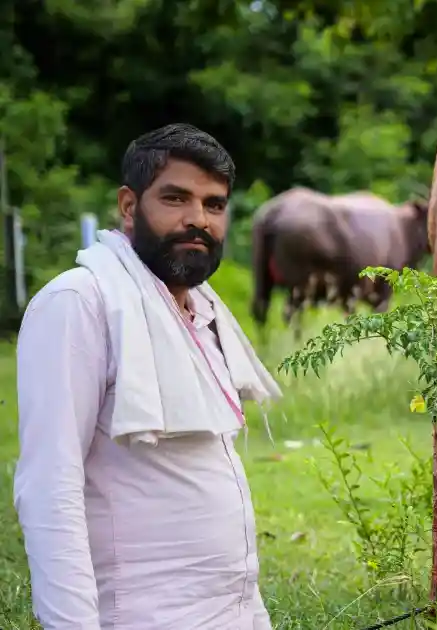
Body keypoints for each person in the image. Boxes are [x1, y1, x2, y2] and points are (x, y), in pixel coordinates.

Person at [13, 123, 282, 629]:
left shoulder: (203, 312)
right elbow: (50, 485)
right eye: (176, 199)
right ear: (130, 205)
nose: (197, 220)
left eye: (214, 205)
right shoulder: (80, 303)